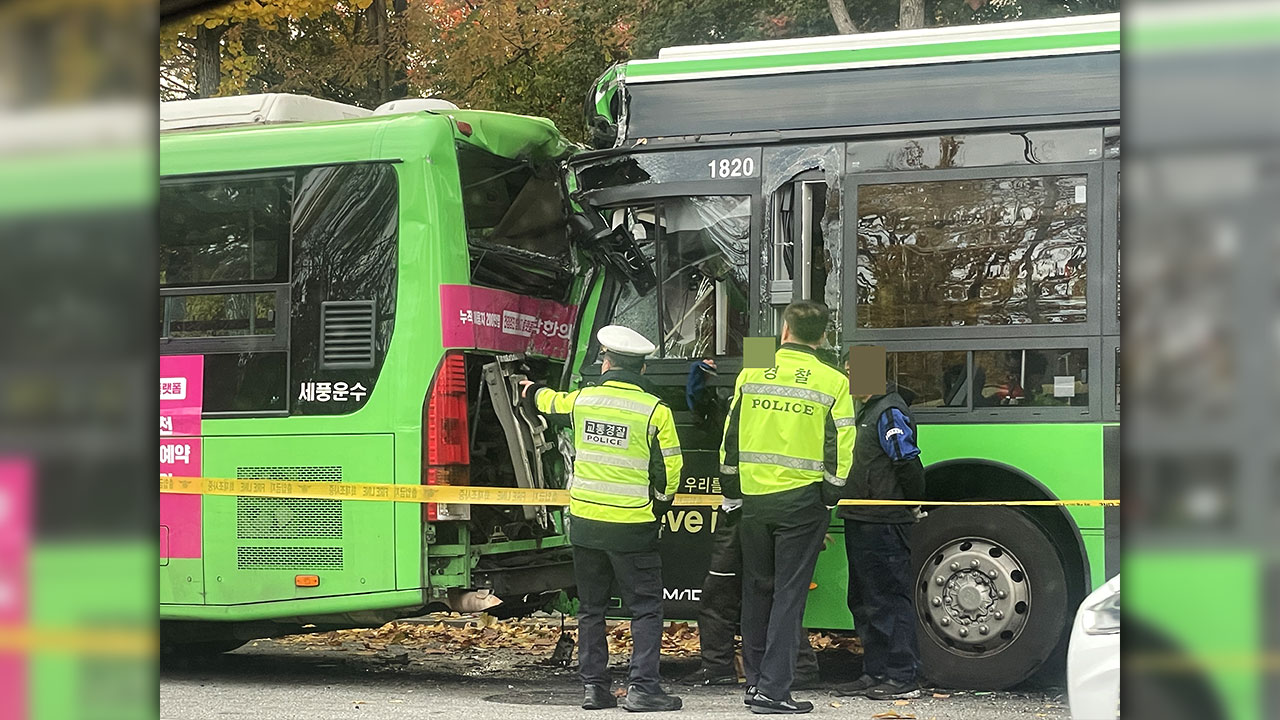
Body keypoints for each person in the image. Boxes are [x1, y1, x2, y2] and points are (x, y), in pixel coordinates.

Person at [521, 325, 684, 712]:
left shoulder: (583, 401)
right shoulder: (656, 411)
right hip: (633, 529)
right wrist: (657, 508)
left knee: (591, 609)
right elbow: (672, 470)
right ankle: (643, 689)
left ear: (606, 363)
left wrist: (528, 389)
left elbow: (547, 401)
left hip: (587, 525)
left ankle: (595, 688)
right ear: (641, 370)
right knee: (644, 608)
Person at [720, 301, 856, 714]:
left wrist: (733, 490)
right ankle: (774, 692)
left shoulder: (752, 372)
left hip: (755, 501)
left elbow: (731, 437)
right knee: (788, 595)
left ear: (784, 331)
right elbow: (842, 446)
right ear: (823, 336)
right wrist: (829, 496)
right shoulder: (834, 382)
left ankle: (756, 681)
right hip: (802, 503)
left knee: (757, 590)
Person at [681, 359, 822, 690]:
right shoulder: (753, 410)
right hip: (762, 514)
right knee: (760, 592)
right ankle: (735, 668)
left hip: (748, 515)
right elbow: (703, 409)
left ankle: (780, 668)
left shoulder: (750, 409)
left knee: (755, 592)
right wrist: (700, 376)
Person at [833, 362, 926, 701]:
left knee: (889, 600)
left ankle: (903, 676)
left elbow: (906, 461)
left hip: (884, 520)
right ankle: (874, 673)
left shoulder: (889, 411)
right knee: (864, 601)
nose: (847, 377)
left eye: (851, 371)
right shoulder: (868, 411)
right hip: (862, 517)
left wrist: (912, 503)